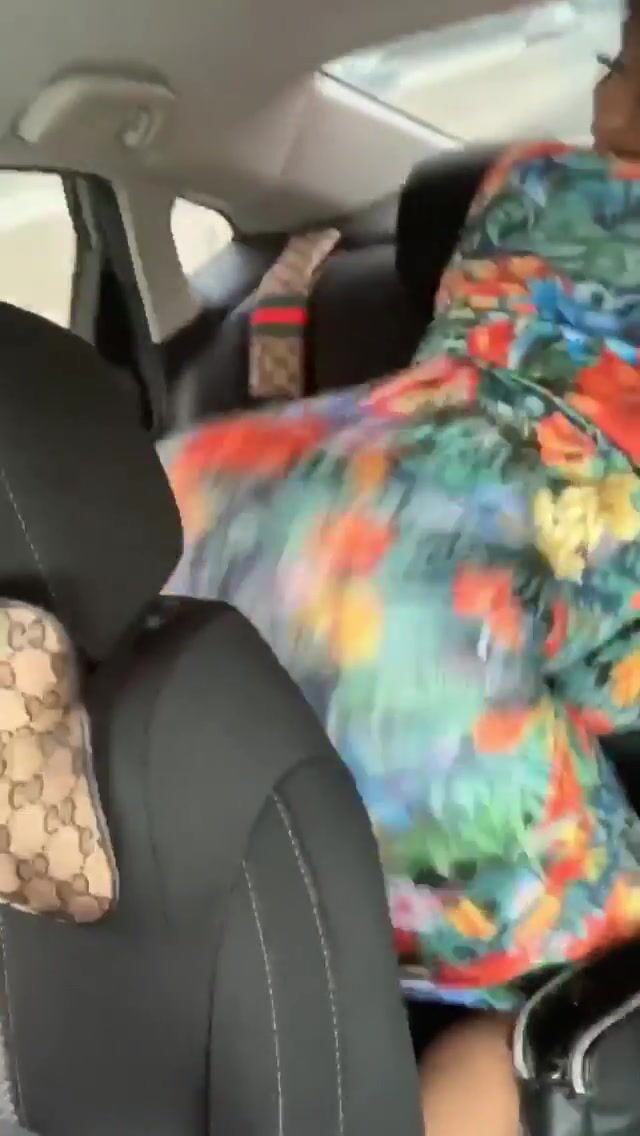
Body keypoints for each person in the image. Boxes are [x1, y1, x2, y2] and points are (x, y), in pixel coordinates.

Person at [160, 5, 640, 1131]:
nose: (598, 93)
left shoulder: (525, 191)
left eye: (616, 62)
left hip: (233, 523)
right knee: (578, 1025)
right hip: (437, 635)